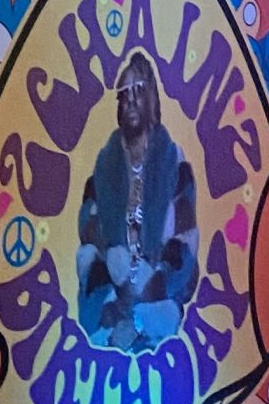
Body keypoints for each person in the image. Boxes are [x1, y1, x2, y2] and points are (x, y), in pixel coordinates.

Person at [76, 52, 199, 349]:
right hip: (109, 322)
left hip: (160, 315)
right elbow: (89, 247)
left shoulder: (174, 165)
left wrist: (143, 315)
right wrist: (112, 315)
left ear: (151, 99)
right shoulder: (102, 172)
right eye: (124, 93)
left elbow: (185, 249)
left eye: (138, 90)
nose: (130, 100)